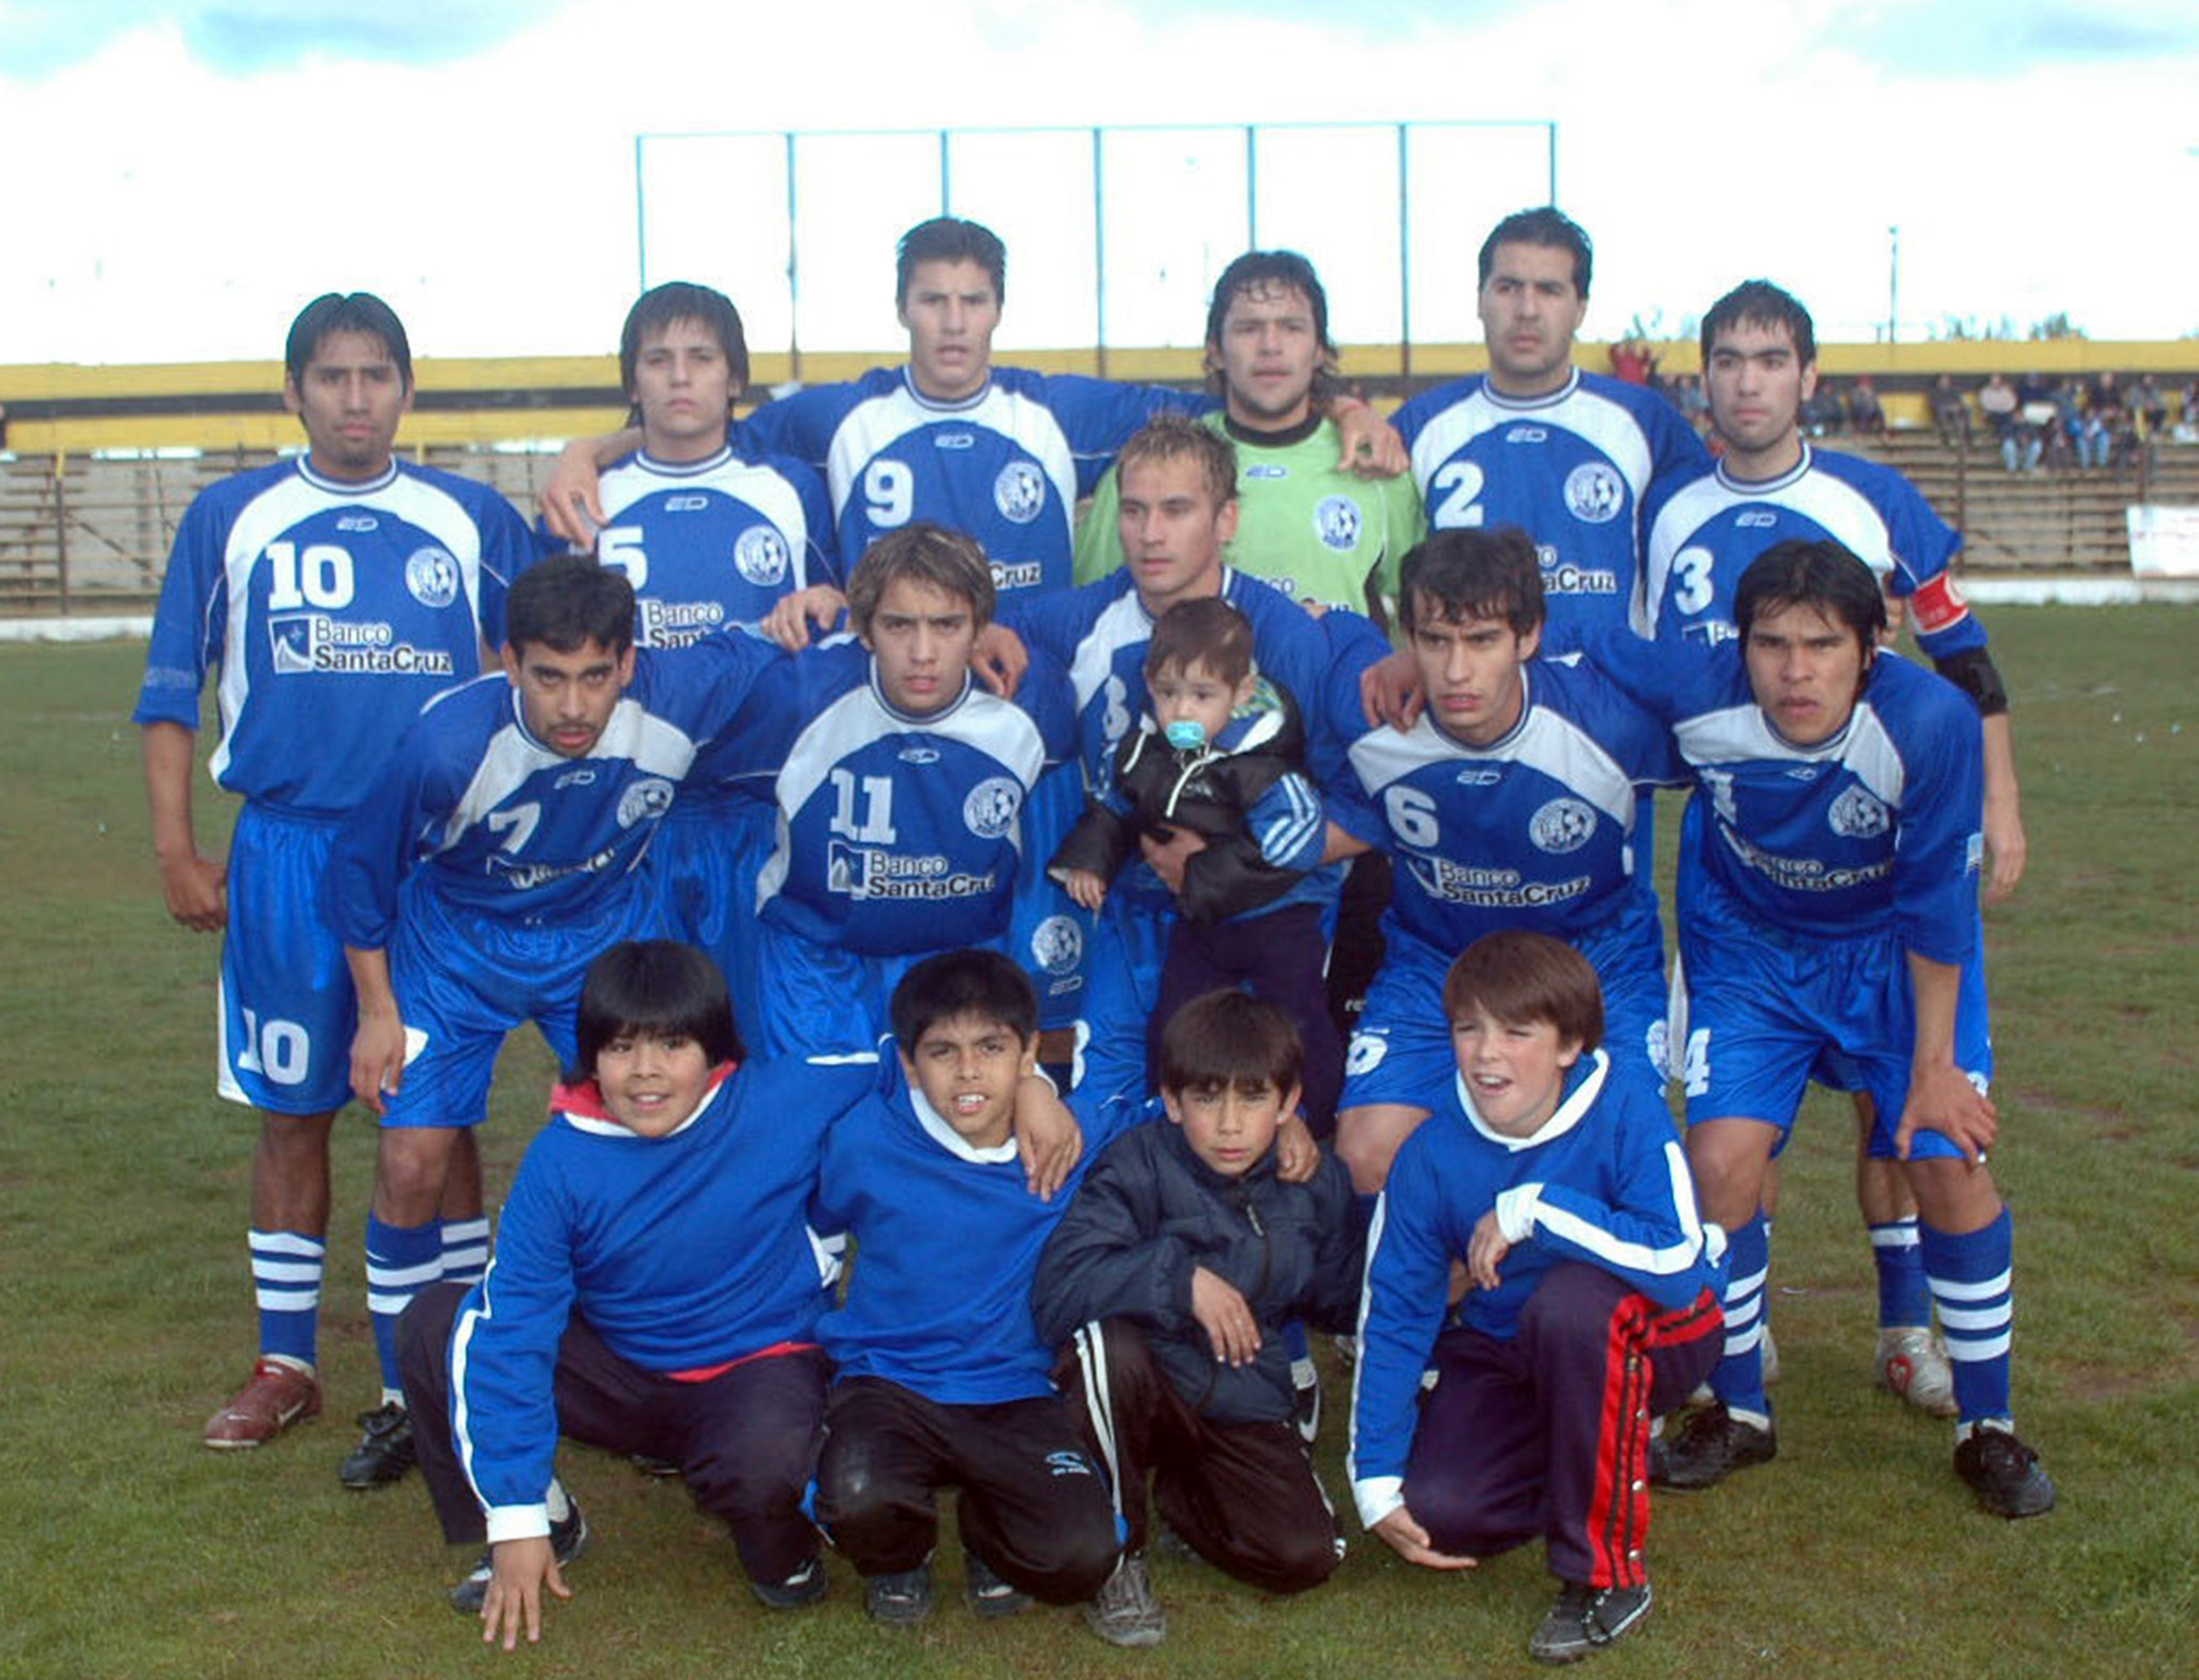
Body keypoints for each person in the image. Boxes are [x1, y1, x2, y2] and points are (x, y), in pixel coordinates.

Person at [132, 291, 534, 1464]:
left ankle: (453, 1351)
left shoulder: (467, 519)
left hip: (431, 859)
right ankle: (287, 1359)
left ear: (407, 388)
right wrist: (174, 847)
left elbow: (549, 664)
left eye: (376, 375)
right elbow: (169, 693)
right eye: (332, 376)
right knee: (293, 1106)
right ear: (296, 390)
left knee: (438, 1109)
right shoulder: (231, 516)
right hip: (289, 854)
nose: (355, 397)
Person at [1632, 282, 2029, 1415]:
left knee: (1898, 1112)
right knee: (1729, 1143)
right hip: (1746, 874)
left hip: (1880, 853)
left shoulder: (1875, 496)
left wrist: (1997, 796)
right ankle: (1735, 1359)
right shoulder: (1664, 507)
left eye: (1770, 359)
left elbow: (1965, 660)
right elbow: (1643, 665)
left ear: (1808, 377)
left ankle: (1906, 1327)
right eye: (1727, 359)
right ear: (1701, 377)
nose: (1747, 379)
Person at [1601, 541, 2054, 1520]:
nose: (1794, 671)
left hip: (1894, 955)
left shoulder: (1929, 723)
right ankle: (1738, 1410)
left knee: (1943, 1155)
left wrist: (1933, 1070)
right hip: (1748, 954)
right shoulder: (1700, 686)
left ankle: (1990, 1424)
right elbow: (1579, 638)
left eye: (1820, 644)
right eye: (1770, 644)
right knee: (1718, 1163)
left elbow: (1941, 908)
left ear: (1872, 642)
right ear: (1741, 643)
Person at [326, 555, 784, 1488]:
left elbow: (782, 653)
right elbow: (358, 875)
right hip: (455, 948)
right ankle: (402, 1400)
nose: (572, 706)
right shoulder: (445, 747)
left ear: (629, 663)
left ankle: (665, 1374)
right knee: (413, 1157)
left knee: (659, 1133)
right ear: (507, 663)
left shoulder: (685, 689)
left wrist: (816, 609)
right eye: (546, 677)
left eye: (594, 677)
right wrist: (377, 1011)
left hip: (597, 939)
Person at [396, 940, 880, 1647]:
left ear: (716, 1052)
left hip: (755, 1364)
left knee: (771, 1518)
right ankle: (549, 1519)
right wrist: (516, 1516)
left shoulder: (785, 1098)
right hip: (622, 1370)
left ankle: (783, 1528)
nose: (645, 1071)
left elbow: (913, 1068)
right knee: (439, 1323)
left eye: (672, 1044)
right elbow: (515, 1328)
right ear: (591, 1057)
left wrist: (1030, 1091)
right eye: (621, 1047)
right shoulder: (561, 1159)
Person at [1350, 931, 1725, 1665]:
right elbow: (1394, 1312)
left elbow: (1679, 1264)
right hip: (1505, 1342)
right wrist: (1375, 1478)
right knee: (1441, 1511)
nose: (1486, 1053)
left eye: (1515, 1031)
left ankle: (1605, 1574)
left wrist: (1535, 1209)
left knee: (1573, 1304)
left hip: (1662, 1330)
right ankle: (1595, 1450)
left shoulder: (1623, 1108)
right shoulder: (1431, 1149)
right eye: (1468, 1028)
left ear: (1568, 1044)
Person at [995, 413, 1345, 1113]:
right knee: (1107, 1107)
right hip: (1128, 911)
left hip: (1261, 921)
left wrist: (1214, 870)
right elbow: (980, 627)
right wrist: (983, 629)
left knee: (1250, 1110)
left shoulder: (1281, 637)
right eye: (1133, 510)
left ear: (1225, 519)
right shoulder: (1079, 620)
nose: (1150, 534)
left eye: (1176, 510)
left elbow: (1343, 807)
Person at [1323, 527, 1679, 1198]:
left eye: (1481, 640)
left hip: (1592, 955)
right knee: (1366, 1153)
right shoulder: (1375, 717)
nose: (1456, 672)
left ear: (1527, 636)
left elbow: (1742, 735)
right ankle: (1450, 1294)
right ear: (1408, 639)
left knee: (1627, 1155)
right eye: (1435, 640)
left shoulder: (1610, 722)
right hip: (1440, 957)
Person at [807, 950, 1133, 1629]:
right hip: (888, 1379)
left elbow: (1183, 1118)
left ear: (1026, 1054)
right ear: (907, 1063)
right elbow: (816, 1225)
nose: (966, 1071)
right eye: (941, 1051)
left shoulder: (1071, 1140)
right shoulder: (864, 1138)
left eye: (990, 1047)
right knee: (857, 1501)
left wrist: (1285, 1133)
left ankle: (991, 1531)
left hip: (1015, 1389)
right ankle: (899, 1554)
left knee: (1082, 1555)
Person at [1033, 989, 1362, 1647]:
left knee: (1304, 1556)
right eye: (1208, 1099)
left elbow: (1340, 1295)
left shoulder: (1311, 1179)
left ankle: (1188, 1502)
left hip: (1241, 1384)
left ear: (1290, 1102)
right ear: (1174, 1100)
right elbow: (1058, 1290)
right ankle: (1117, 1551)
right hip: (1145, 1383)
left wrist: (1432, 1278)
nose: (1231, 1124)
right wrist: (1181, 1280)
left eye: (1253, 1098)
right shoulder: (1136, 1162)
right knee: (1104, 1345)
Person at [581, 281, 836, 1038]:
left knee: (761, 1038)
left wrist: (824, 600)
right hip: (630, 822)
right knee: (642, 1045)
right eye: (659, 360)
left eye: (701, 357)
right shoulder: (589, 496)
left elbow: (841, 606)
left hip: (761, 810)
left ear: (735, 377)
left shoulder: (787, 490)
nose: (681, 376)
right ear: (633, 381)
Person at [732, 523, 1077, 1059]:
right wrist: (770, 625)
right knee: (816, 1125)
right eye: (898, 625)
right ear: (865, 630)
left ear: (981, 628)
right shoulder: (797, 696)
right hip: (818, 964)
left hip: (961, 962)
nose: (922, 652)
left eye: (946, 625)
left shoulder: (1033, 701)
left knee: (950, 1133)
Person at [1051, 597, 1337, 1132]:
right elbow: (1114, 805)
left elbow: (1300, 839)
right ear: (1149, 683)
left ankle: (1311, 1122)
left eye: (1203, 695)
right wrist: (1088, 862)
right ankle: (1174, 1124)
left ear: (1240, 693)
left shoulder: (1262, 759)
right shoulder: (1145, 749)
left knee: (1296, 1022)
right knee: (1179, 1021)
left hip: (1278, 923)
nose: (1183, 711)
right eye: (1168, 693)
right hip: (1200, 923)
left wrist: (1205, 872)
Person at [1388, 207, 1710, 654]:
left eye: (1549, 290)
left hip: (1608, 707)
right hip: (1467, 702)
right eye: (1508, 288)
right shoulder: (1418, 428)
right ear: (1480, 300)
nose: (1526, 310)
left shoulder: (1647, 425)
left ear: (1580, 309)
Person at [1073, 249, 1422, 624]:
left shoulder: (1375, 466)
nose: (1270, 345)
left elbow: (1417, 623)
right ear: (1216, 351)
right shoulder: (1149, 469)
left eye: (1291, 327)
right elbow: (1092, 618)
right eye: (1248, 329)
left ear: (1319, 350)